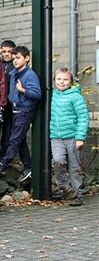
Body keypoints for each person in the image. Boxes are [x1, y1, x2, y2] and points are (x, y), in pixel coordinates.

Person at [0, 46, 41, 182]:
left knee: (15, 139)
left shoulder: (30, 75)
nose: (15, 61)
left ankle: (3, 163)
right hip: (15, 109)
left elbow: (37, 94)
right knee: (20, 141)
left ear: (26, 58)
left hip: (25, 111)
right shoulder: (14, 73)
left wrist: (23, 90)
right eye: (14, 58)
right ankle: (28, 166)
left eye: (18, 58)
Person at [50, 68, 89, 206]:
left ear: (71, 82)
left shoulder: (75, 96)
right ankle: (65, 187)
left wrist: (80, 137)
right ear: (54, 81)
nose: (62, 82)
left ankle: (77, 194)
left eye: (65, 79)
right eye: (59, 79)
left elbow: (83, 117)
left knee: (75, 166)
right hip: (56, 136)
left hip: (73, 136)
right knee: (58, 161)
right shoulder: (53, 95)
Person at [0, 40, 16, 157]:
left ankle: (5, 155)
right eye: (4, 51)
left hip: (10, 102)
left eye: (9, 51)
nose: (6, 54)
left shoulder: (16, 65)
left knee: (8, 130)